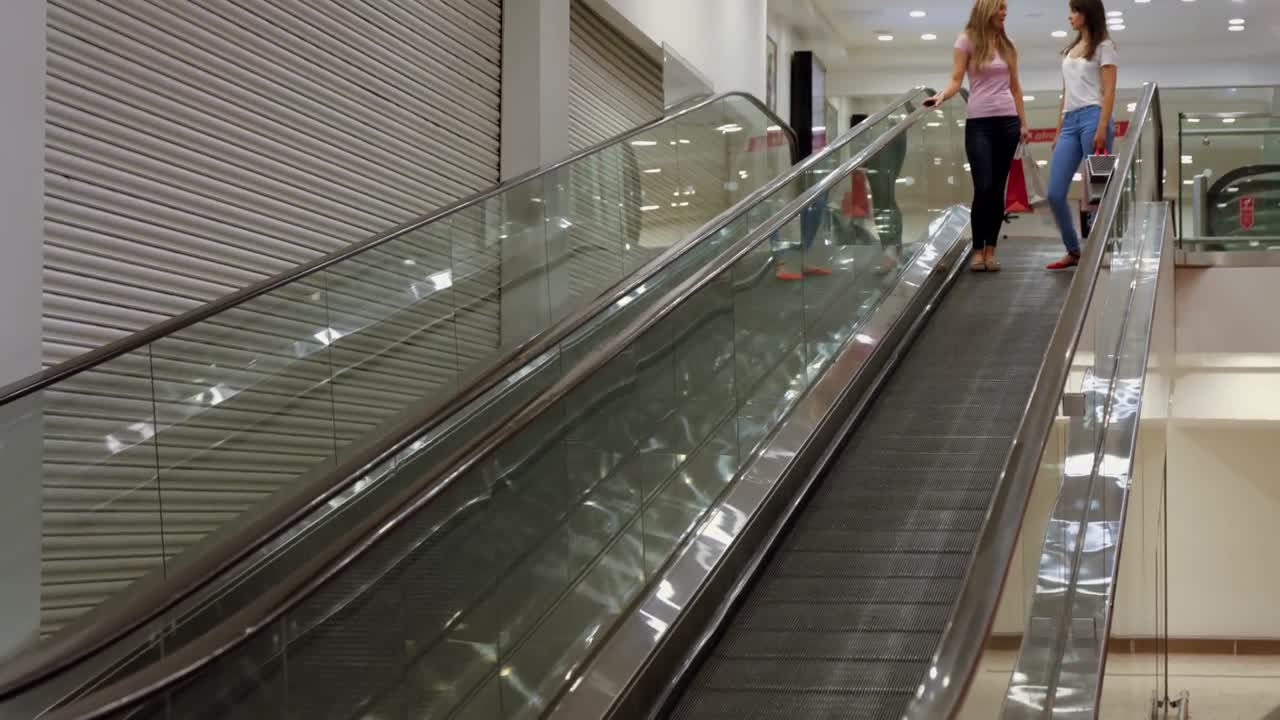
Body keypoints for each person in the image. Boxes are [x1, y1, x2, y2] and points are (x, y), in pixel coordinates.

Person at [927, 0, 1031, 273]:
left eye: (1006, 8)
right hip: (979, 124)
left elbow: (1016, 87)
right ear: (987, 10)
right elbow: (955, 79)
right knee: (983, 187)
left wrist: (1023, 123)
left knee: (998, 189)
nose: (1004, 13)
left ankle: (990, 251)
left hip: (1008, 122)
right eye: (1000, 8)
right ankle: (976, 249)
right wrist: (941, 96)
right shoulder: (966, 41)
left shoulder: (1009, 45)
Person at [1046, 0, 1118, 270]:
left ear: (1087, 14)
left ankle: (1103, 250)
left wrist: (1102, 126)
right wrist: (1057, 130)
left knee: (1100, 190)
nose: (1070, 17)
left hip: (1094, 118)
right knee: (1054, 193)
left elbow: (1109, 92)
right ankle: (1073, 250)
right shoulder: (1069, 50)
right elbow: (1065, 94)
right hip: (1070, 122)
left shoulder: (1105, 47)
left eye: (1075, 11)